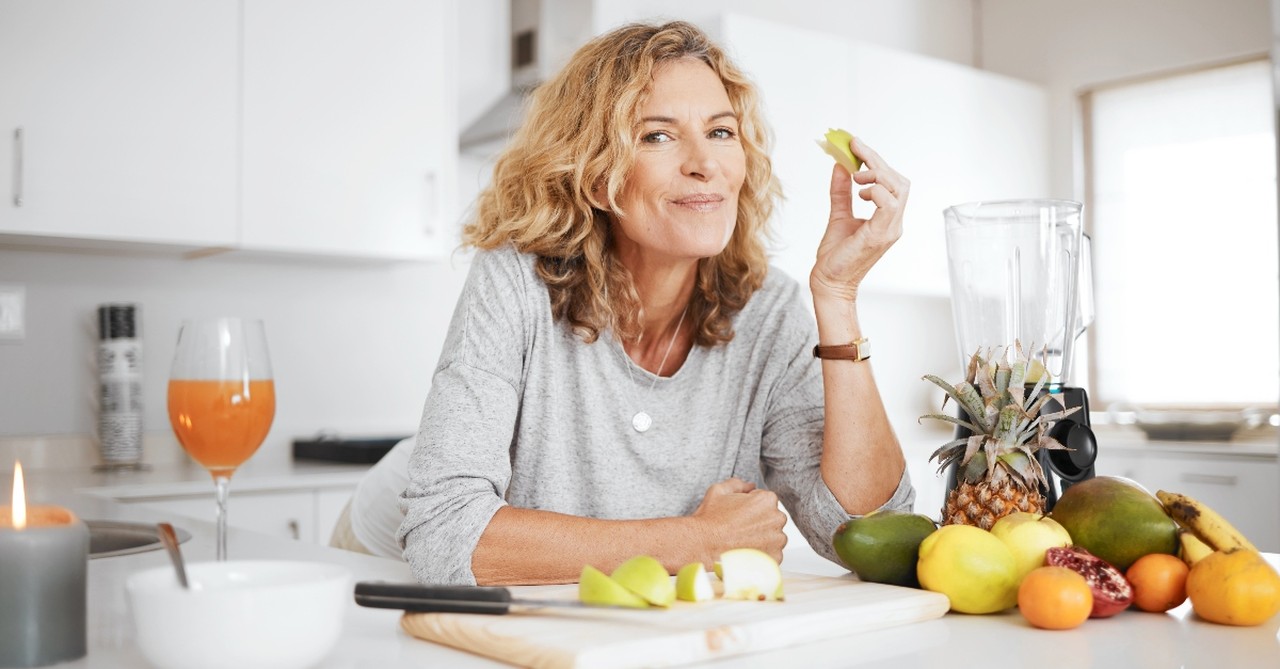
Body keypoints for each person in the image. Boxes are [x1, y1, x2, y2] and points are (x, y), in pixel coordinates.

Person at [396, 20, 913, 586]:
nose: (704, 163)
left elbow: (874, 535)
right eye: (657, 136)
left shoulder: (769, 312)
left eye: (721, 132)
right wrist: (697, 541)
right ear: (596, 176)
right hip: (380, 554)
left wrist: (837, 298)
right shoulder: (516, 280)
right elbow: (442, 532)